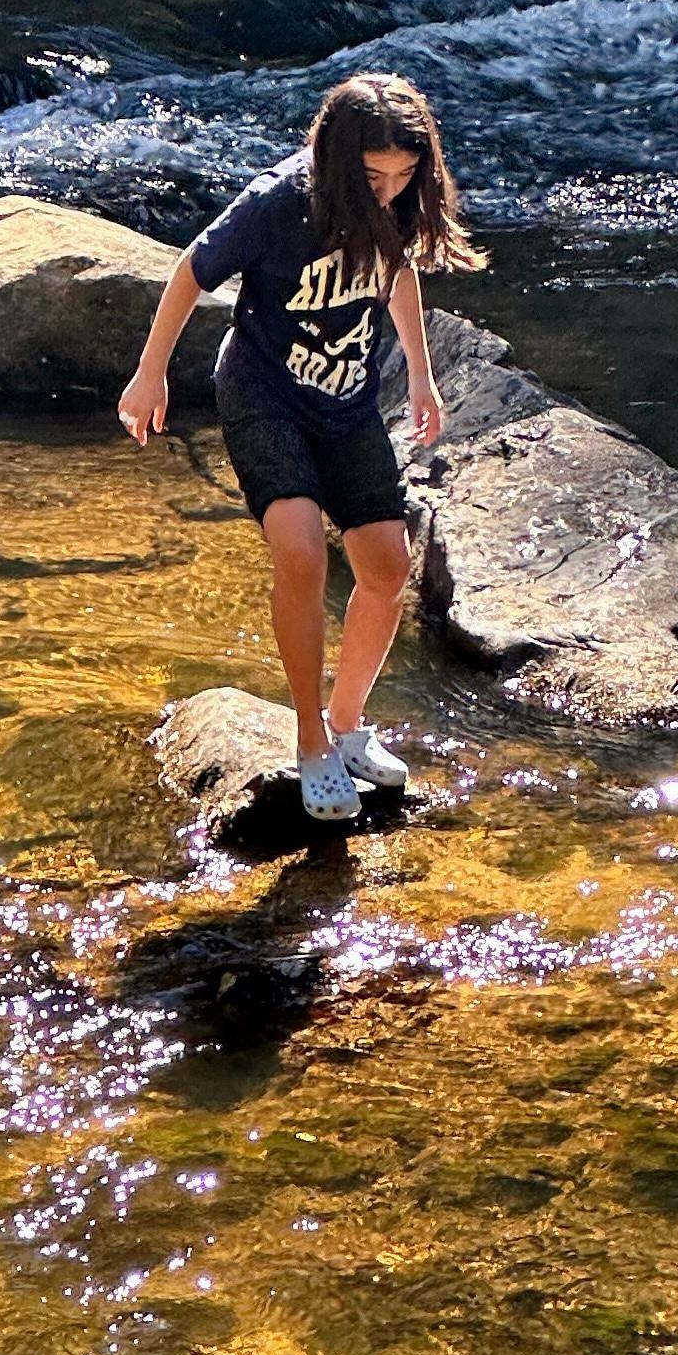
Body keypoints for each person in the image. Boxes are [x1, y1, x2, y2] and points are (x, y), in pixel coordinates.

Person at [117, 72, 484, 826]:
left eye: (404, 175)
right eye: (373, 176)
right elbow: (192, 270)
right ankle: (310, 739)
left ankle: (348, 725)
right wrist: (150, 371)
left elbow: (397, 274)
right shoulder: (278, 202)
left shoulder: (393, 206)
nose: (387, 190)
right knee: (302, 552)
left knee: (386, 564)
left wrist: (420, 371)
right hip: (263, 395)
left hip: (346, 403)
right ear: (336, 158)